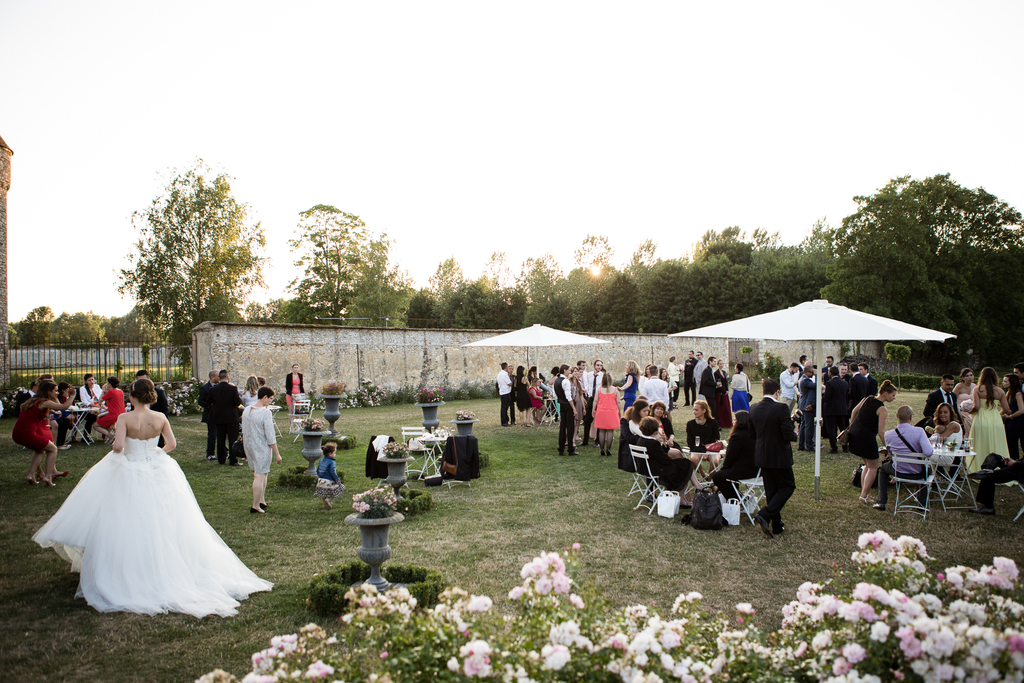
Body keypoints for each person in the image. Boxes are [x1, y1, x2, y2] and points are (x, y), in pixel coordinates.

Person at [31, 378, 273, 617]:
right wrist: (156, 453)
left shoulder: (124, 418)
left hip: (129, 467)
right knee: (164, 515)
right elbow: (172, 444)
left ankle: (127, 567)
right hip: (157, 467)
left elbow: (117, 448)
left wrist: (124, 443)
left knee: (124, 515)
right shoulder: (160, 418)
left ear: (132, 397)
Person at [748, 378, 798, 538]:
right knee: (787, 486)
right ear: (777, 392)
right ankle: (766, 513)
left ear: (762, 392)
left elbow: (752, 435)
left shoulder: (753, 408)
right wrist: (796, 430)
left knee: (771, 490)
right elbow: (788, 434)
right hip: (779, 454)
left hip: (762, 454)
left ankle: (777, 524)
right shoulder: (781, 408)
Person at [872, 405, 933, 512]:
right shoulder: (919, 432)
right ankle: (921, 504)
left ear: (896, 416)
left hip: (898, 471)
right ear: (911, 417)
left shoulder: (888, 434)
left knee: (883, 469)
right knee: (928, 470)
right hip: (917, 472)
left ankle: (881, 501)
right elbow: (928, 452)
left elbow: (890, 454)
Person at [14, 379, 75, 486]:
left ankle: (31, 475)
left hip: (18, 433)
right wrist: (72, 395)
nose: (57, 393)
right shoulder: (44, 402)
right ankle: (48, 476)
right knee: (53, 449)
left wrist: (44, 417)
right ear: (48, 391)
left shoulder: (34, 400)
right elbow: (64, 407)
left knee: (40, 450)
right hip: (27, 434)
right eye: (55, 391)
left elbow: (32, 416)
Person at [848, 379, 898, 505]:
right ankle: (863, 496)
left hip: (855, 433)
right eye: (893, 395)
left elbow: (854, 411)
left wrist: (854, 425)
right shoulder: (882, 409)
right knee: (874, 467)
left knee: (868, 465)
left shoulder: (868, 398)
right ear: (886, 394)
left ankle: (864, 494)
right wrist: (888, 447)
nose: (894, 398)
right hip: (866, 437)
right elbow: (881, 432)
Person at [242, 386, 282, 514]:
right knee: (259, 475)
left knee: (263, 472)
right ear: (264, 397)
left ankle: (261, 500)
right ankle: (255, 505)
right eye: (270, 398)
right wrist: (277, 454)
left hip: (249, 445)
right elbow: (270, 436)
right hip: (261, 446)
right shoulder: (265, 412)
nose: (271, 401)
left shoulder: (247, 410)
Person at [636, 417, 698, 493]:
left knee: (683, 463)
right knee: (685, 464)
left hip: (644, 469)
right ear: (655, 430)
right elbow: (666, 460)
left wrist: (664, 442)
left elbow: (662, 453)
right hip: (656, 470)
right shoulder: (653, 443)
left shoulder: (641, 440)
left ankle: (696, 488)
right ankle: (697, 488)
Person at [967, 366, 1011, 473]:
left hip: (981, 418)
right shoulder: (1000, 391)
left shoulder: (977, 389)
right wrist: (997, 413)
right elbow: (1006, 409)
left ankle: (979, 469)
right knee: (997, 442)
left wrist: (968, 412)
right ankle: (1000, 470)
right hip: (995, 419)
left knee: (980, 443)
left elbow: (977, 407)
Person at [712, 410, 757, 502]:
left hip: (744, 471)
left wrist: (723, 469)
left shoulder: (737, 436)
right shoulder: (755, 434)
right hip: (758, 471)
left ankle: (737, 500)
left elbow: (730, 458)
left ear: (740, 422)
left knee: (717, 477)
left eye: (735, 420)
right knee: (728, 475)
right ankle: (740, 498)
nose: (733, 422)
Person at [211, 370, 244, 466]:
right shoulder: (232, 389)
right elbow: (238, 402)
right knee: (232, 439)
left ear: (219, 378)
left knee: (220, 438)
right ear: (228, 377)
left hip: (219, 417)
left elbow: (209, 401)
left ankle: (221, 459)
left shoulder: (213, 389)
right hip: (231, 417)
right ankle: (233, 460)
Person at [685, 399, 721, 483]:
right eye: (693, 410)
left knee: (715, 461)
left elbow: (716, 439)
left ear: (704, 410)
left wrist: (707, 451)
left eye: (696, 410)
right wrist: (701, 451)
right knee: (693, 459)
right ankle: (703, 474)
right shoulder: (690, 424)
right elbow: (690, 441)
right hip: (697, 449)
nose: (694, 412)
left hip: (711, 449)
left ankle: (711, 481)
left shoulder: (713, 423)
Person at [136, 369, 169, 448]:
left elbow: (165, 408)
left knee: (158, 444)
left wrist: (162, 422)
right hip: (141, 422)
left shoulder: (159, 392)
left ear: (148, 379)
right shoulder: (136, 394)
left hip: (155, 421)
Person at [823, 366, 850, 453]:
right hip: (842, 409)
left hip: (832, 409)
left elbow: (826, 397)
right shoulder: (845, 383)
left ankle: (834, 447)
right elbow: (846, 396)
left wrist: (815, 404)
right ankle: (845, 447)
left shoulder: (830, 383)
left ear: (830, 373)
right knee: (842, 428)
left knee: (832, 429)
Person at [593, 373, 621, 456]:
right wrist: (620, 410)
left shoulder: (599, 389)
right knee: (610, 430)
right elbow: (618, 401)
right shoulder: (615, 390)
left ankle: (602, 448)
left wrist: (593, 409)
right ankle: (608, 448)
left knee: (601, 430)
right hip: (611, 411)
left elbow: (595, 400)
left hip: (601, 411)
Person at [554, 364, 578, 456]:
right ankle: (570, 449)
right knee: (570, 427)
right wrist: (574, 408)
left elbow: (556, 395)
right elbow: (569, 396)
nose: (570, 372)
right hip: (567, 405)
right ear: (564, 370)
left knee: (563, 427)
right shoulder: (565, 381)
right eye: (569, 370)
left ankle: (561, 448)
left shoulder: (556, 381)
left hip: (561, 404)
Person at [314, 442, 346, 509]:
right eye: (334, 453)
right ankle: (328, 499)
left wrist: (319, 477)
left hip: (320, 480)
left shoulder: (321, 461)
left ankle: (324, 504)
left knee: (323, 493)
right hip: (328, 481)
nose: (335, 454)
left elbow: (317, 470)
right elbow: (332, 472)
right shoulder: (332, 462)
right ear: (330, 454)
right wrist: (337, 480)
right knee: (340, 488)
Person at [94, 377, 125, 444]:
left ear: (109, 384)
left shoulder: (111, 392)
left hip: (113, 414)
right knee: (108, 424)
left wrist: (103, 391)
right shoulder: (120, 391)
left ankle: (110, 435)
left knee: (96, 426)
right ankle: (110, 437)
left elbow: (100, 400)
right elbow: (117, 403)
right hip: (121, 413)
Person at [581, 359, 604, 446]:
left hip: (599, 399)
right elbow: (587, 385)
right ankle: (585, 440)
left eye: (601, 365)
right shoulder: (589, 375)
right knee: (587, 420)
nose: (599, 367)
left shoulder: (602, 376)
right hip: (590, 398)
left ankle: (597, 440)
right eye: (598, 365)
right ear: (594, 365)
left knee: (598, 420)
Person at [197, 370, 219, 460]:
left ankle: (223, 453)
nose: (219, 378)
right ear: (212, 377)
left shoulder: (219, 387)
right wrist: (210, 405)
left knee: (221, 435)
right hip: (211, 415)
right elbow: (201, 401)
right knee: (212, 434)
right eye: (218, 376)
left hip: (220, 414)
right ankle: (210, 453)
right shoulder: (205, 388)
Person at [1001, 374, 1024, 460]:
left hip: (1016, 422)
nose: (1003, 383)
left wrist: (1010, 416)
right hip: (1010, 422)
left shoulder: (1018, 393)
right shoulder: (1009, 392)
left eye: (1005, 381)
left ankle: (1014, 462)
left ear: (1012, 382)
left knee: (1012, 444)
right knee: (1009, 443)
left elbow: (1021, 410)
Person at [797, 364, 817, 452]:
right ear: (807, 372)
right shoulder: (805, 380)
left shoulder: (804, 379)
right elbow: (816, 386)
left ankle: (801, 444)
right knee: (809, 426)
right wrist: (818, 376)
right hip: (807, 406)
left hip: (804, 405)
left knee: (804, 425)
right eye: (812, 372)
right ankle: (809, 446)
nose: (813, 374)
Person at [78, 373, 104, 439]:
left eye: (92, 379)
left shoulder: (97, 386)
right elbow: (84, 401)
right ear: (86, 381)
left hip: (99, 405)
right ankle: (86, 434)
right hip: (89, 407)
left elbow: (102, 397)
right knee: (92, 416)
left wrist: (101, 403)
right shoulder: (82, 389)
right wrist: (94, 406)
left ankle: (105, 432)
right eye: (89, 380)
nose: (91, 382)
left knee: (107, 412)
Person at [954, 367, 976, 435]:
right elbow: (953, 398)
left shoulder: (974, 386)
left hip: (971, 410)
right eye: (967, 376)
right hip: (960, 410)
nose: (970, 377)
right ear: (963, 378)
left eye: (971, 375)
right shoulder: (959, 386)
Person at [570, 366, 586, 447]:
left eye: (577, 371)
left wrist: (584, 407)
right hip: (572, 402)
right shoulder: (569, 381)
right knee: (572, 422)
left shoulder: (578, 382)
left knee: (577, 422)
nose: (576, 373)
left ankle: (573, 440)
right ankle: (570, 439)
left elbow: (581, 396)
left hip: (578, 403)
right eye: (574, 371)